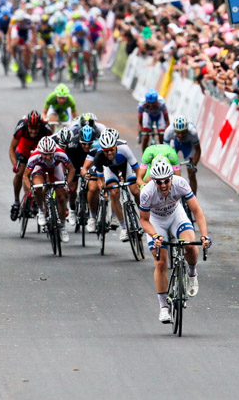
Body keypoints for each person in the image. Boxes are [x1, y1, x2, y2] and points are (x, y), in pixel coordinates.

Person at [139, 157, 211, 323]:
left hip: (176, 216)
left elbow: (197, 211)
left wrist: (204, 235)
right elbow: (143, 220)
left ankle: (192, 274)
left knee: (190, 246)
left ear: (171, 178)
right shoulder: (147, 193)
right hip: (156, 222)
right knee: (160, 262)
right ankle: (164, 307)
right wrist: (155, 236)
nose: (163, 185)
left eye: (166, 181)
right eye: (159, 182)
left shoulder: (180, 183)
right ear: (153, 181)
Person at [82, 128, 140, 242]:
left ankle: (143, 214)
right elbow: (100, 179)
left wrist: (139, 182)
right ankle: (124, 228)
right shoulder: (98, 157)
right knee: (114, 192)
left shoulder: (124, 149)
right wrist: (103, 189)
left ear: (116, 146)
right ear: (102, 150)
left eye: (112, 149)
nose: (109, 153)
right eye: (106, 150)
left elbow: (137, 170)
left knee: (136, 191)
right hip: (109, 170)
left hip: (126, 167)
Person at [22, 136, 75, 243]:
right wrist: (31, 189)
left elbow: (71, 170)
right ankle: (41, 211)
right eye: (45, 154)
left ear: (54, 151)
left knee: (61, 196)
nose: (48, 157)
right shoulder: (35, 156)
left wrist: (67, 185)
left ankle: (63, 227)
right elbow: (25, 176)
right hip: (39, 169)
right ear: (40, 152)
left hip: (55, 169)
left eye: (50, 154)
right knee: (38, 187)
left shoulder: (60, 153)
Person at [9, 111, 53, 221]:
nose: (33, 131)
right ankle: (16, 201)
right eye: (31, 129)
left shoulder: (46, 129)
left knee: (46, 175)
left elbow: (52, 146)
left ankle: (41, 200)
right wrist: (15, 164)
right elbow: (11, 149)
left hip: (39, 150)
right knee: (20, 173)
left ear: (40, 126)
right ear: (27, 126)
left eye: (36, 129)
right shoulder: (21, 128)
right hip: (24, 149)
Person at [163, 116, 201, 195]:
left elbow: (198, 150)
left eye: (183, 132)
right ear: (174, 130)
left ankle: (193, 200)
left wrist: (194, 164)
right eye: (178, 132)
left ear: (187, 130)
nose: (180, 135)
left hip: (188, 146)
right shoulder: (169, 131)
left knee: (191, 173)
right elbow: (165, 152)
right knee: (170, 171)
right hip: (175, 144)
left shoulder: (193, 132)